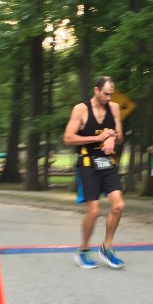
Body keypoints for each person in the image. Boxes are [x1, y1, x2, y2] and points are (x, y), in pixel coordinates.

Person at [62, 76, 126, 269]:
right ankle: (83, 250)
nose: (109, 97)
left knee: (118, 205)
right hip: (87, 163)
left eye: (111, 94)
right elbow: (68, 138)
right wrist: (98, 138)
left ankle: (107, 247)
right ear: (96, 90)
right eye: (105, 94)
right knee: (94, 210)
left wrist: (112, 137)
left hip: (107, 163)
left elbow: (120, 137)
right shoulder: (81, 109)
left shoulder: (114, 108)